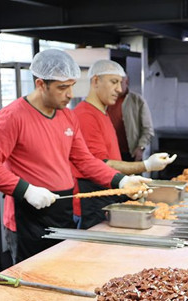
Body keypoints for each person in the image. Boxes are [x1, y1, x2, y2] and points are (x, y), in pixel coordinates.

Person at [0, 49, 149, 262]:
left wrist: (121, 181)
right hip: (28, 215)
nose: (70, 94)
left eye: (72, 85)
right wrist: (26, 190)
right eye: (62, 87)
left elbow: (84, 160)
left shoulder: (67, 116)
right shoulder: (13, 116)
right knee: (31, 277)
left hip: (62, 210)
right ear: (40, 84)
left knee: (62, 269)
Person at [73, 60, 176, 229]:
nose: (119, 89)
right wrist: (146, 165)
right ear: (95, 81)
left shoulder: (102, 112)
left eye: (120, 83)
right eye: (114, 82)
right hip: (93, 198)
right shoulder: (85, 116)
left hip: (108, 192)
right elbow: (101, 164)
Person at [107, 76, 154, 162]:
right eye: (114, 82)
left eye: (120, 82)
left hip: (131, 154)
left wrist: (140, 148)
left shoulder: (137, 100)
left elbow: (148, 130)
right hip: (110, 154)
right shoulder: (106, 101)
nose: (117, 86)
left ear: (127, 81)